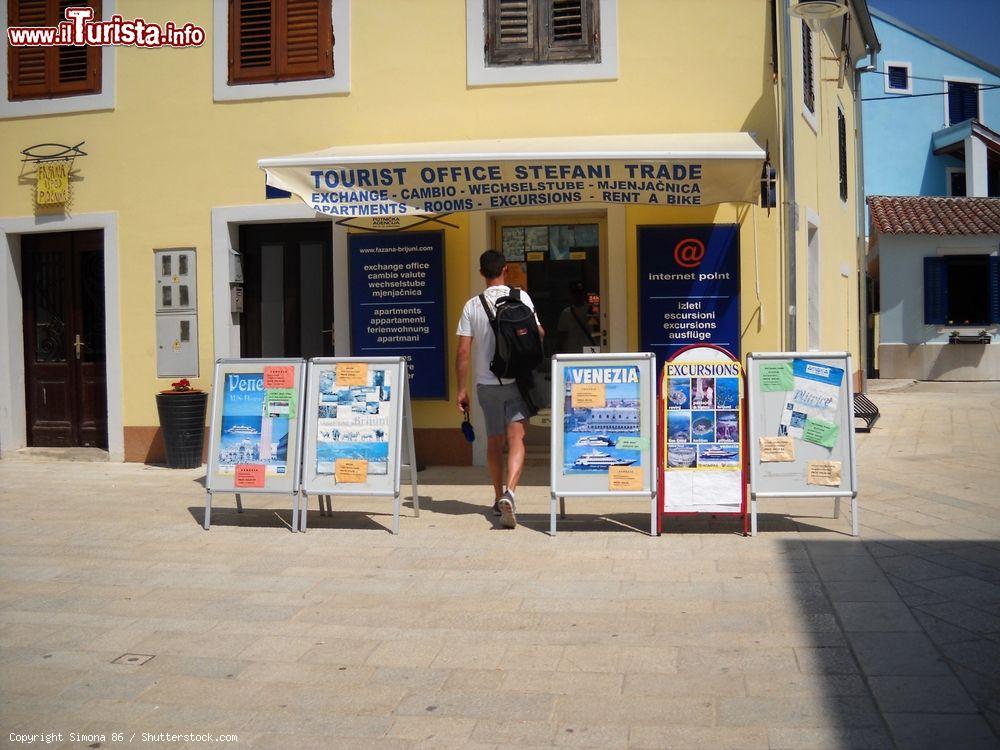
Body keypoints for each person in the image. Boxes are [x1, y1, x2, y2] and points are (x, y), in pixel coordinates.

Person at [456, 250, 543, 528]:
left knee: (494, 441)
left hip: (486, 383)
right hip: (516, 380)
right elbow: (539, 333)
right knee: (517, 438)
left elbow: (463, 352)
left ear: (481, 272)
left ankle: (497, 497)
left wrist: (461, 390)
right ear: (506, 269)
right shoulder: (522, 298)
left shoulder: (472, 306)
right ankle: (511, 493)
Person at [556, 280, 596, 353]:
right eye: (575, 293)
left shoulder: (592, 310)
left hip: (590, 350)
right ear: (570, 294)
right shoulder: (566, 313)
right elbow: (562, 335)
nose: (578, 295)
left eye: (580, 292)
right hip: (572, 351)